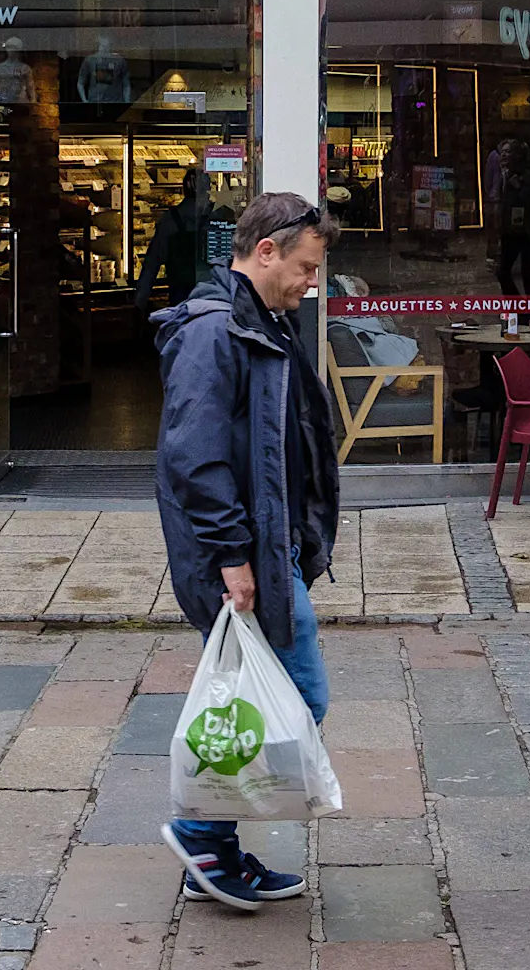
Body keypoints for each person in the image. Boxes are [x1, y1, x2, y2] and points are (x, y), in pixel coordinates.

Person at [155, 191, 342, 915]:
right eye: (304, 266)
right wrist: (235, 557)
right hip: (244, 557)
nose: (311, 282)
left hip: (271, 548)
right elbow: (193, 458)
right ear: (265, 252)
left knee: (261, 701)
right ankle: (200, 832)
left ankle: (213, 847)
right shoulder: (213, 333)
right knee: (299, 698)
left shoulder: (259, 319)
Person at [136, 170, 213, 309]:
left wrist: (140, 300)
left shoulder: (170, 221)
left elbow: (151, 264)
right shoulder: (219, 218)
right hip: (214, 297)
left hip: (180, 298)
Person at [494, 138, 530, 296]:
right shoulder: (506, 173)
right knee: (503, 271)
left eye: (508, 152)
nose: (503, 155)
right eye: (502, 152)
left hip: (528, 232)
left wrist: (517, 185)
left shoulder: (529, 174)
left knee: (528, 274)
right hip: (512, 231)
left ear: (518, 155)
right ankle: (519, 309)